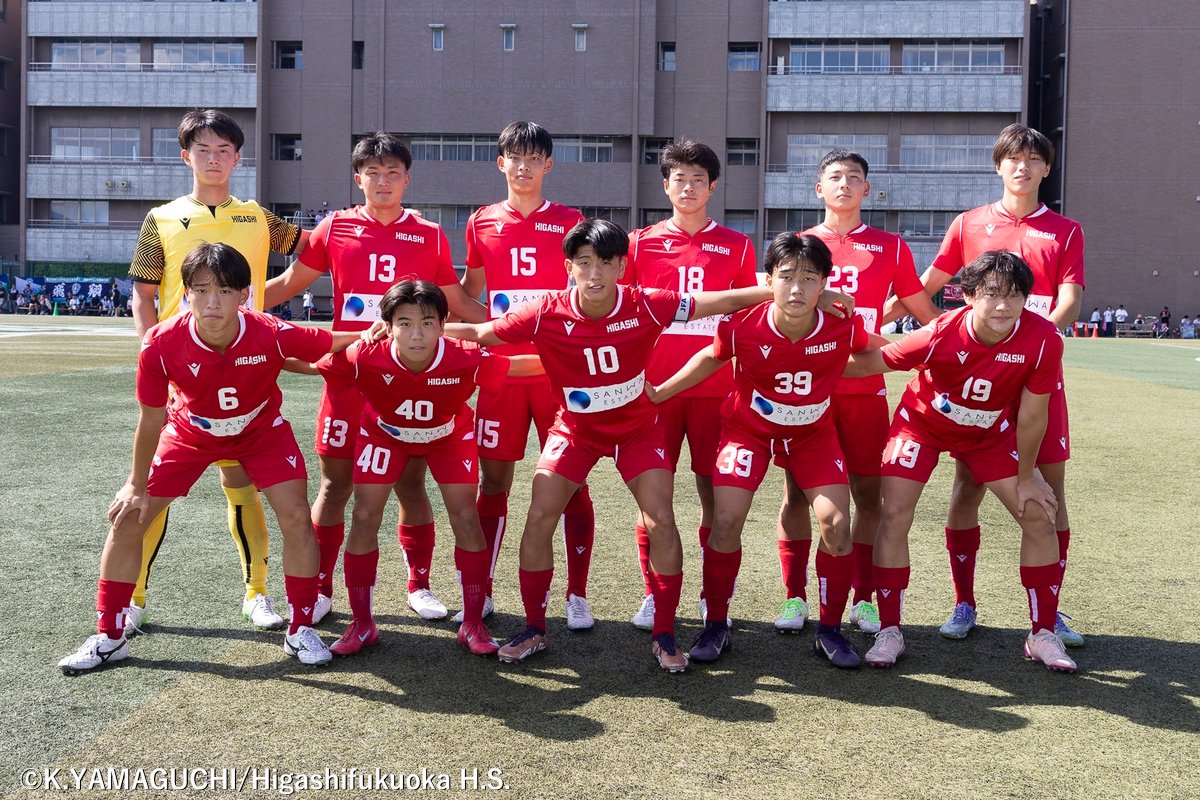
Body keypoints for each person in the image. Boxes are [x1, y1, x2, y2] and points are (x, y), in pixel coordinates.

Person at [446, 219, 772, 672]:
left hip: (638, 428)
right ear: (568, 267)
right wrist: (405, 330)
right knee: (539, 515)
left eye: (604, 263)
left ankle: (663, 632)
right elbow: (483, 334)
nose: (594, 273)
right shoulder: (545, 310)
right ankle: (535, 627)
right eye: (584, 263)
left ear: (623, 265)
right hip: (575, 429)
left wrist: (780, 291)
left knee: (661, 519)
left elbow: (715, 301)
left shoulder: (646, 303)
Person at [58, 243, 360, 675]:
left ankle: (300, 626)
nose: (211, 301)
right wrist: (135, 483)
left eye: (223, 291)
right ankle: (109, 635)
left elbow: (335, 340)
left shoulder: (271, 331)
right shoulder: (160, 342)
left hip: (261, 432)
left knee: (295, 517)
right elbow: (150, 419)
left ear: (243, 295)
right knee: (128, 518)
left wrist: (385, 331)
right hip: (190, 432)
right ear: (186, 293)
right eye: (200, 290)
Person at [264, 132, 486, 624]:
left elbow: (457, 304)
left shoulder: (427, 233)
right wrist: (233, 307)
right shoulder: (334, 227)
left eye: (392, 174)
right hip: (349, 374)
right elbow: (287, 285)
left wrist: (518, 325)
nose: (382, 182)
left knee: (411, 483)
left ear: (406, 179)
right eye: (372, 173)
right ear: (357, 177)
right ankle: (321, 590)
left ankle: (419, 585)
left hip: (406, 376)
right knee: (335, 486)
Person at [651, 232, 877, 669]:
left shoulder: (841, 323)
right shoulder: (744, 324)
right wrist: (661, 392)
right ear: (768, 279)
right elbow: (710, 359)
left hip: (813, 434)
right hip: (747, 433)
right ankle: (717, 624)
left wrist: (933, 359)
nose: (797, 288)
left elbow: (872, 352)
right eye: (787, 277)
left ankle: (829, 631)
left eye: (810, 279)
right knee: (726, 518)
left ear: (825, 283)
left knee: (835, 522)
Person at [901, 124, 1086, 647]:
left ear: (1046, 168)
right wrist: (880, 322)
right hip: (974, 380)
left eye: (1033, 159)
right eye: (1012, 158)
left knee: (1050, 493)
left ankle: (1050, 611)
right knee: (967, 487)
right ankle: (964, 601)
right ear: (998, 165)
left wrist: (1034, 338)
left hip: (1035, 375)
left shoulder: (1066, 230)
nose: (1022, 167)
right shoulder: (969, 223)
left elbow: (1069, 299)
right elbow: (927, 285)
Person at [126, 109, 309, 634]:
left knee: (243, 480)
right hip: (181, 374)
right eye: (203, 149)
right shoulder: (160, 218)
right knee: (153, 489)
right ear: (186, 156)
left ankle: (257, 594)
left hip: (246, 366)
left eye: (223, 150)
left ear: (237, 156)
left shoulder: (257, 216)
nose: (213, 158)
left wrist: (267, 305)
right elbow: (142, 293)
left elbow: (310, 252)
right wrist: (147, 349)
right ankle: (133, 599)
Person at [849, 250, 1076, 672]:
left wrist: (1027, 476)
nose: (1004, 306)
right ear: (968, 295)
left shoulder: (1043, 339)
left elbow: (1031, 416)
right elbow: (874, 363)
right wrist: (800, 364)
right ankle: (890, 630)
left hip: (989, 434)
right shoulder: (940, 332)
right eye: (992, 294)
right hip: (921, 425)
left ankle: (1042, 632)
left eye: (1014, 295)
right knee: (895, 512)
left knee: (1038, 514)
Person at [316, 281, 538, 657]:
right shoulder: (365, 353)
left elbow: (517, 368)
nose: (416, 334)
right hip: (384, 435)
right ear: (387, 325)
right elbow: (312, 362)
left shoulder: (465, 355)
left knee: (466, 516)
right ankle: (362, 623)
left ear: (443, 323)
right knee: (365, 514)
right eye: (404, 323)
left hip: (448, 436)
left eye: (427, 323)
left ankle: (472, 622)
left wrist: (578, 356)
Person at [773, 149, 941, 637]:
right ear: (818, 189)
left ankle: (863, 599)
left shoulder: (890, 247)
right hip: (806, 390)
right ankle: (794, 596)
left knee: (869, 495)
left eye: (854, 178)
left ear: (868, 190)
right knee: (797, 494)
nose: (844, 184)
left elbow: (925, 315)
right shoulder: (800, 245)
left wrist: (956, 345)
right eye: (834, 177)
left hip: (865, 391)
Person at [459, 121, 597, 630]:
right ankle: (485, 586)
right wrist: (491, 329)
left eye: (533, 157)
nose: (523, 166)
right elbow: (470, 291)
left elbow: (587, 287)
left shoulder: (570, 220)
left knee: (570, 482)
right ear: (501, 164)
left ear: (547, 165)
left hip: (558, 374)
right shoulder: (481, 222)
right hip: (502, 375)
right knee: (493, 480)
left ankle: (576, 595)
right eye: (514, 157)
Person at [618, 139, 759, 631]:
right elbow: (625, 312)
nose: (689, 186)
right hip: (652, 391)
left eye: (699, 178)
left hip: (715, 391)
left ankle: (707, 594)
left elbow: (745, 316)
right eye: (680, 178)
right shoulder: (638, 244)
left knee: (713, 494)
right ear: (666, 185)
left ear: (713, 186)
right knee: (652, 499)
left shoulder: (738, 245)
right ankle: (655, 596)